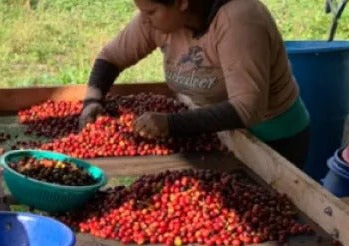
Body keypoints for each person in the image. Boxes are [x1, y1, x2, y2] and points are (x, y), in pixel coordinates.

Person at [80, 0, 311, 168]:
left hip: (273, 136)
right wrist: (92, 100)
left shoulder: (239, 19)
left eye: (151, 11)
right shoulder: (155, 22)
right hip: (215, 129)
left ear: (182, 3)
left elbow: (247, 108)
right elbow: (110, 59)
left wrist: (171, 124)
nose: (145, 18)